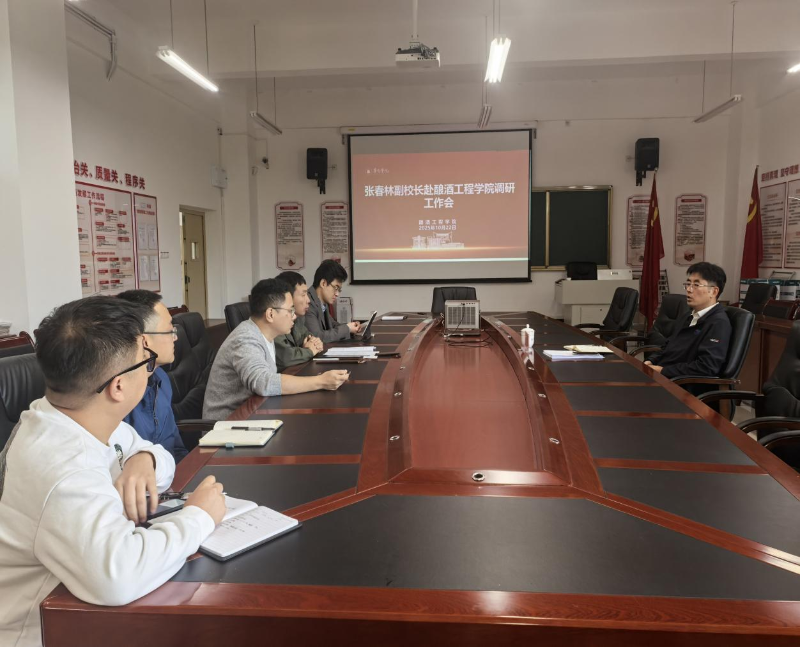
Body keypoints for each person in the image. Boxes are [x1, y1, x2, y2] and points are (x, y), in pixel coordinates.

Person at [0, 296, 226, 647]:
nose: (151, 371)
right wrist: (199, 517)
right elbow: (118, 576)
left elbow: (160, 458)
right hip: (46, 630)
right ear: (118, 386)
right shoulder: (61, 466)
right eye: (145, 362)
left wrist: (145, 459)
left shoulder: (70, 413)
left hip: (81, 610)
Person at [203, 279, 349, 420]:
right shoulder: (245, 338)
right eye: (290, 310)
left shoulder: (267, 335)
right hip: (229, 424)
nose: (294, 316)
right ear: (270, 314)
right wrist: (321, 381)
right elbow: (263, 383)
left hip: (255, 413)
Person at [117, 290, 187, 461]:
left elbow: (176, 448)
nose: (175, 338)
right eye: (170, 330)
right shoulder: (119, 394)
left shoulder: (161, 378)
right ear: (145, 341)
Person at [644, 262, 731, 381]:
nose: (689, 290)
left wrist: (662, 370)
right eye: (688, 284)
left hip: (680, 384)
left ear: (713, 291)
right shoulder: (688, 316)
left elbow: (706, 367)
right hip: (663, 376)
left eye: (696, 285)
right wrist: (650, 361)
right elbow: (668, 346)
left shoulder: (718, 323)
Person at [274, 271, 324, 371]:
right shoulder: (275, 321)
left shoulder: (298, 318)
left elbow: (309, 338)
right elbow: (285, 357)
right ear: (287, 297)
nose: (308, 300)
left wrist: (316, 343)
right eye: (303, 295)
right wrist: (309, 351)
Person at [305, 259, 362, 343]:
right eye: (335, 288)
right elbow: (317, 337)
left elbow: (333, 325)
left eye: (339, 290)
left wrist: (351, 327)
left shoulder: (322, 301)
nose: (337, 294)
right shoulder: (307, 303)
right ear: (323, 283)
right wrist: (347, 328)